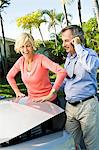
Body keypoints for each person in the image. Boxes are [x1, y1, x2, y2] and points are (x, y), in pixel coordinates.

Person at [61, 25, 99, 150]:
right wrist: (49, 87)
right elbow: (67, 81)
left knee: (91, 145)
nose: (63, 44)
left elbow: (90, 67)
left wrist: (78, 46)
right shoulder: (68, 59)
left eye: (66, 40)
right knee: (69, 145)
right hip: (70, 108)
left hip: (87, 107)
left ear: (76, 39)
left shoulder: (89, 54)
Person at [7, 32, 67, 105]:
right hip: (32, 102)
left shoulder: (41, 59)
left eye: (28, 46)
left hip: (49, 102)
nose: (25, 50)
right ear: (19, 48)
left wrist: (51, 93)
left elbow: (62, 72)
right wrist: (17, 91)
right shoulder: (20, 61)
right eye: (22, 46)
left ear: (32, 46)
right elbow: (9, 76)